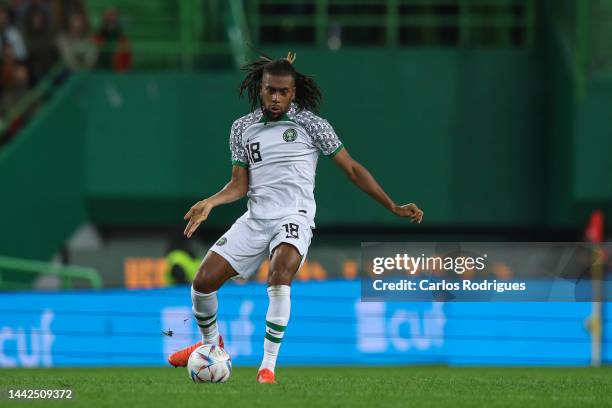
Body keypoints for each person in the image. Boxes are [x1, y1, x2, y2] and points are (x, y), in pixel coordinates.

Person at [167, 53, 424, 384]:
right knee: (202, 283)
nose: (276, 98)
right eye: (270, 90)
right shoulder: (242, 128)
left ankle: (267, 368)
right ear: (260, 89)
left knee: (280, 275)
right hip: (256, 219)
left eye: (283, 91)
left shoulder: (312, 125)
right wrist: (211, 202)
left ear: (294, 92)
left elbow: (353, 169)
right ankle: (209, 345)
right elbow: (239, 184)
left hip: (295, 216)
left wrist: (392, 206)